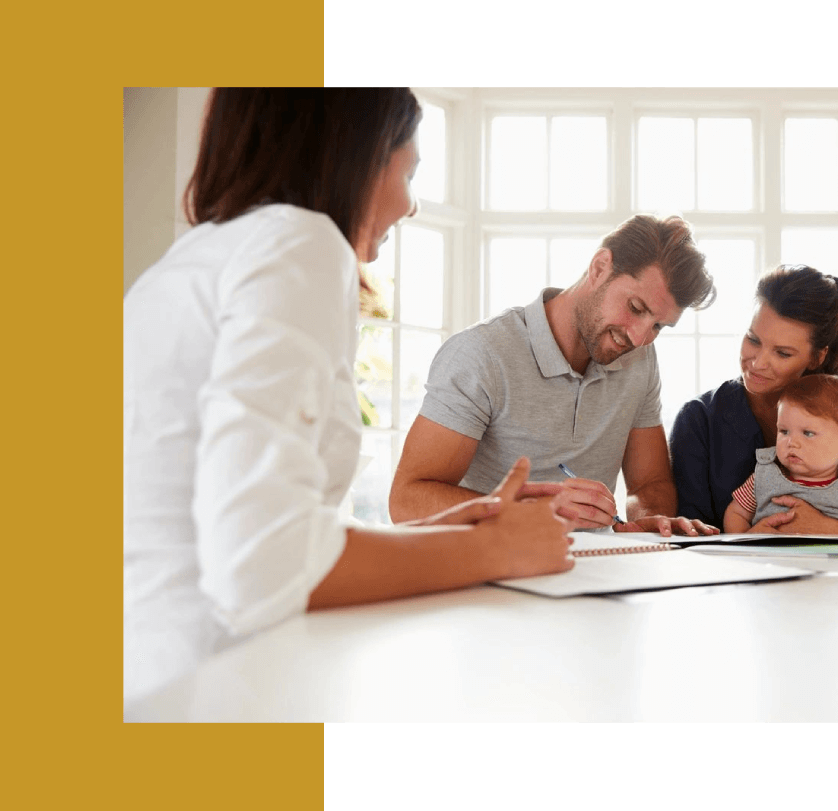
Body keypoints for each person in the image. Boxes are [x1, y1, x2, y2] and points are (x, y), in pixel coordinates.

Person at [123, 88, 573, 706]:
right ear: (356, 153)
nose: (412, 206)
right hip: (202, 692)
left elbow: (240, 526)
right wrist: (491, 549)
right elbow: (263, 568)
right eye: (409, 172)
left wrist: (442, 530)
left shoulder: (193, 260)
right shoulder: (299, 242)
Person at [389, 214, 721, 538]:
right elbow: (406, 500)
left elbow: (649, 484)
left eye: (658, 326)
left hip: (591, 573)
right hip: (487, 570)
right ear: (599, 267)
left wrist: (646, 520)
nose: (638, 338)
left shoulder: (640, 360)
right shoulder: (481, 353)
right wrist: (530, 511)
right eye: (635, 308)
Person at [670, 264, 838, 534]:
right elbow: (689, 536)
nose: (758, 363)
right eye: (753, 339)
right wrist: (748, 542)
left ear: (817, 357)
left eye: (783, 353)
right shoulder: (699, 419)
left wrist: (830, 528)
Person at [723, 375, 838, 534]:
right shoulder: (764, 475)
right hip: (769, 564)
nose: (792, 442)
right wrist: (746, 539)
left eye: (808, 433)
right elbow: (736, 513)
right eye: (784, 431)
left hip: (833, 567)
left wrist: (832, 529)